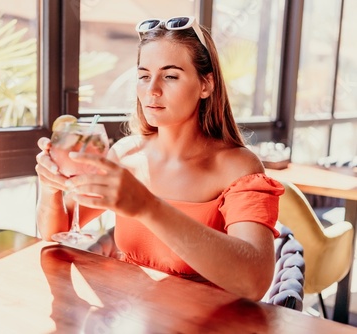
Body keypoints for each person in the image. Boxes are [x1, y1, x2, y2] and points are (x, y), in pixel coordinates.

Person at [35, 16, 284, 301]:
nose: (152, 89)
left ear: (206, 85)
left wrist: (147, 206)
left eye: (170, 76)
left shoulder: (238, 167)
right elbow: (56, 231)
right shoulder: (125, 155)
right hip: (134, 317)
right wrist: (50, 187)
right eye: (143, 76)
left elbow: (254, 281)